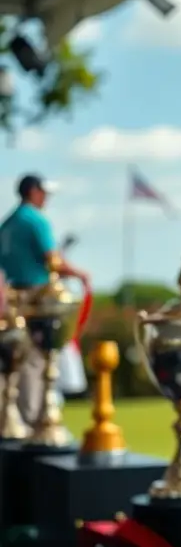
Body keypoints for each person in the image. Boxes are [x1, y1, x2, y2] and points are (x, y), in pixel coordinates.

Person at [0, 174, 90, 422]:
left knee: (14, 360)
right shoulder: (35, 220)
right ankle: (34, 421)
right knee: (35, 360)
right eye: (43, 192)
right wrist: (80, 274)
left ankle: (13, 418)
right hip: (37, 300)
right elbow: (53, 260)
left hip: (11, 298)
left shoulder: (7, 224)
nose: (46, 197)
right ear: (32, 191)